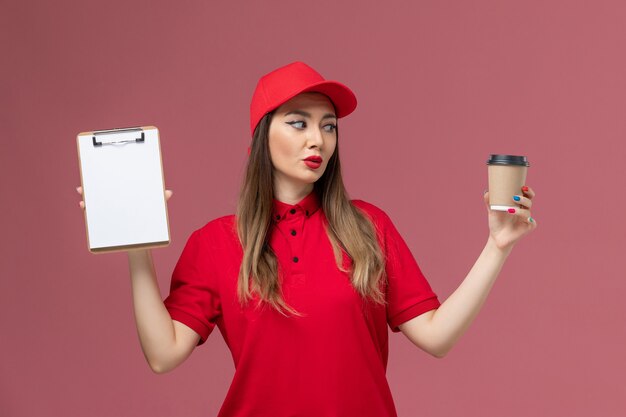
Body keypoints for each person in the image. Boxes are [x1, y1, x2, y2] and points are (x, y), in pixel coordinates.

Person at [76, 61, 537, 417]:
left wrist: (498, 246)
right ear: (261, 136)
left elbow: (436, 336)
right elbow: (162, 354)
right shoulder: (215, 243)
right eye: (298, 123)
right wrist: (137, 247)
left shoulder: (368, 227)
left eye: (328, 125)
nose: (318, 139)